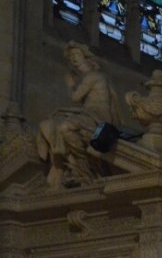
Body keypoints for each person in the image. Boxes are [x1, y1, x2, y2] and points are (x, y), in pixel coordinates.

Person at [36, 41, 120, 188]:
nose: (73, 58)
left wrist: (70, 84)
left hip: (98, 117)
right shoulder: (88, 76)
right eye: (71, 56)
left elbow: (75, 98)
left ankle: (85, 168)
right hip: (87, 114)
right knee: (48, 124)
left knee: (66, 127)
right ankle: (69, 163)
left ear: (85, 57)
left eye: (77, 54)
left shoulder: (93, 76)